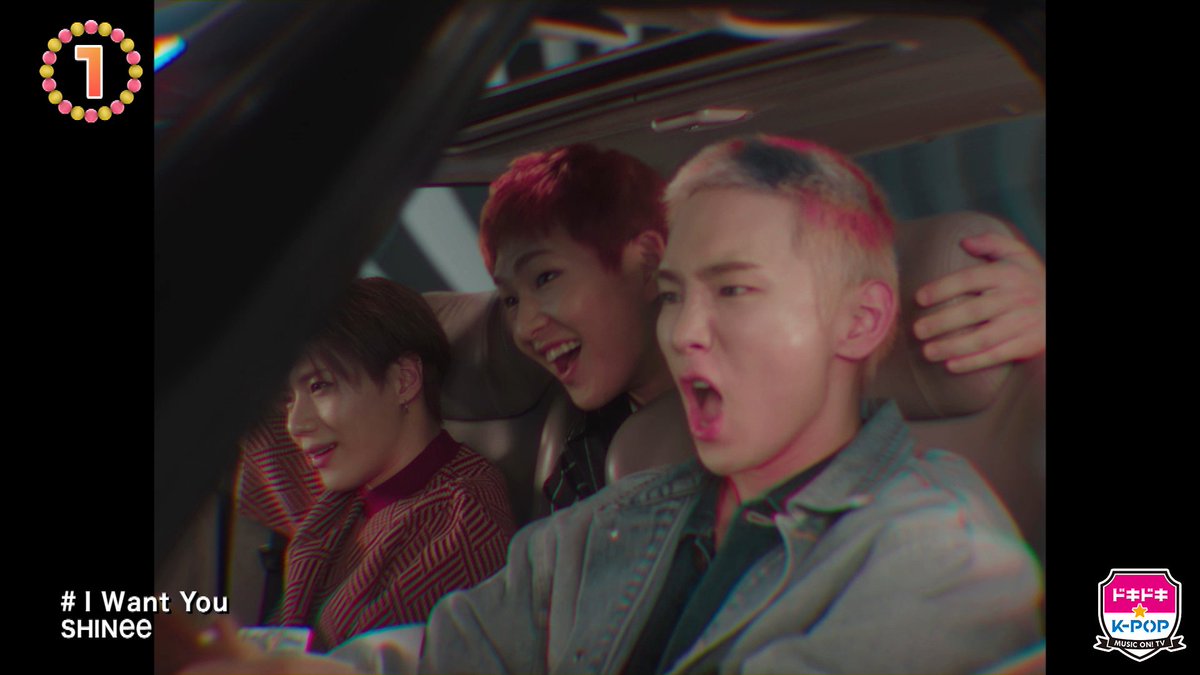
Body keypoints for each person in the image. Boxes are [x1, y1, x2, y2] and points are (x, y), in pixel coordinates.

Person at [173, 139, 1044, 675]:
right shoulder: (615, 520)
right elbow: (440, 655)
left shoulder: (938, 551)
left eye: (733, 290)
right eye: (674, 294)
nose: (684, 331)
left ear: (858, 322)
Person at [481, 143, 1045, 511]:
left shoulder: (871, 458)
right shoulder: (588, 458)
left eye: (546, 277)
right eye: (508, 299)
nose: (525, 324)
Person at [235, 278, 515, 652]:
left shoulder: (461, 521)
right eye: (289, 400)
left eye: (320, 386)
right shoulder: (351, 485)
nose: (295, 425)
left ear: (404, 380)